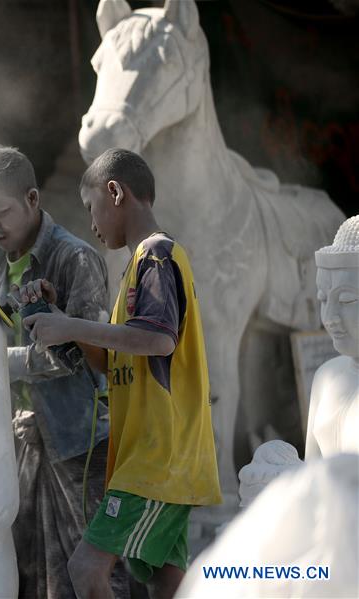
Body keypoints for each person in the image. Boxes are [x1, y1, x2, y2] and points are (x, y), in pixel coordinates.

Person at [20, 148, 222, 599]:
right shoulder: (136, 268)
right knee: (167, 585)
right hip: (153, 459)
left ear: (115, 192)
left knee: (86, 570)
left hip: (158, 459)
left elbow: (158, 339)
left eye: (91, 208)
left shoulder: (157, 255)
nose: (91, 224)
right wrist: (60, 319)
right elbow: (115, 364)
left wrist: (70, 325)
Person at [0, 145, 131, 599]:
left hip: (80, 438)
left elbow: (80, 358)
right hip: (24, 437)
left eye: (1, 211)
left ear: (33, 200)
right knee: (33, 570)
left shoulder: (74, 258)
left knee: (95, 572)